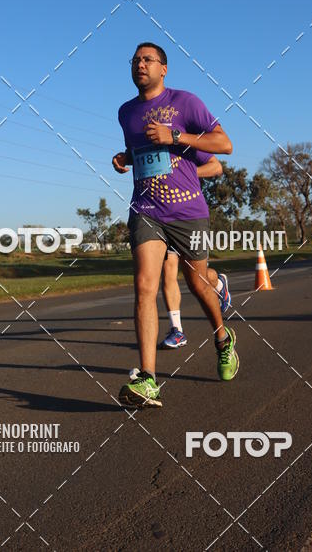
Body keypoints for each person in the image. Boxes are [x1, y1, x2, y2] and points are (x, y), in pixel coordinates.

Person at [112, 42, 239, 408]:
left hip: (188, 211)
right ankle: (149, 379)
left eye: (147, 59)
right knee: (144, 286)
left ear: (163, 68)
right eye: (135, 59)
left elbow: (225, 145)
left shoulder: (186, 102)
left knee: (197, 284)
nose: (140, 64)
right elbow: (141, 153)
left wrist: (176, 137)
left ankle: (222, 338)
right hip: (146, 208)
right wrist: (125, 158)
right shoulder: (126, 112)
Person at [160, 154, 232, 349]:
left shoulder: (186, 138)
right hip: (160, 215)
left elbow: (216, 166)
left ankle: (217, 282)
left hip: (188, 215)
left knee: (196, 279)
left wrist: (185, 174)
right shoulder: (148, 141)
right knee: (168, 271)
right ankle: (177, 330)